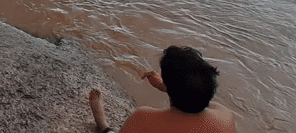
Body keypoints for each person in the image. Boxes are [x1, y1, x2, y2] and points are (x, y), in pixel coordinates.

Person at [89, 46, 237, 133]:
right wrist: (167, 88)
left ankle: (103, 125)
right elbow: (198, 100)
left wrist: (169, 87)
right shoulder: (225, 117)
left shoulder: (143, 118)